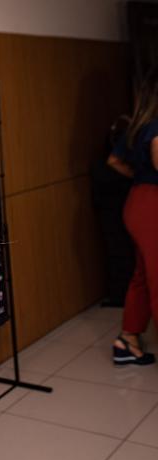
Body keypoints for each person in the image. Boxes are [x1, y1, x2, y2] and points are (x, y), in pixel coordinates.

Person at [108, 69, 158, 365]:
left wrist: (141, 178)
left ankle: (127, 340)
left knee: (142, 275)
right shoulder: (155, 126)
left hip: (139, 200)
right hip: (152, 205)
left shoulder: (140, 125)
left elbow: (114, 160)